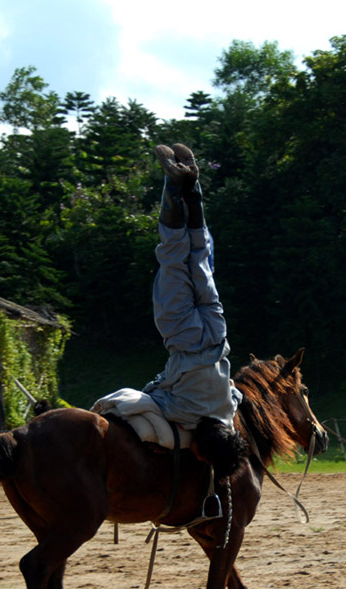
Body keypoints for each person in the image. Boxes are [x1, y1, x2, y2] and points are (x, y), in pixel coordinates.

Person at [142, 143, 245, 476]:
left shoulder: (228, 410)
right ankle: (173, 183)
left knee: (200, 255)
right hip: (184, 337)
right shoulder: (182, 415)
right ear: (200, 452)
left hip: (217, 333)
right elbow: (143, 400)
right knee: (173, 255)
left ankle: (193, 184)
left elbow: (237, 393)